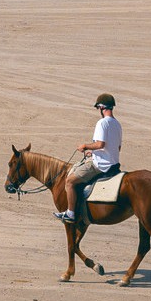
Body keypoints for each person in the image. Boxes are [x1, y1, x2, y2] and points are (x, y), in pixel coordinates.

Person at [54, 93, 122, 223]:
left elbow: (100, 144)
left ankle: (71, 213)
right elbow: (116, 148)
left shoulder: (102, 123)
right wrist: (93, 153)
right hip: (114, 163)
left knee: (69, 181)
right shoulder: (117, 124)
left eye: (98, 109)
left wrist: (85, 146)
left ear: (102, 107)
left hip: (100, 165)